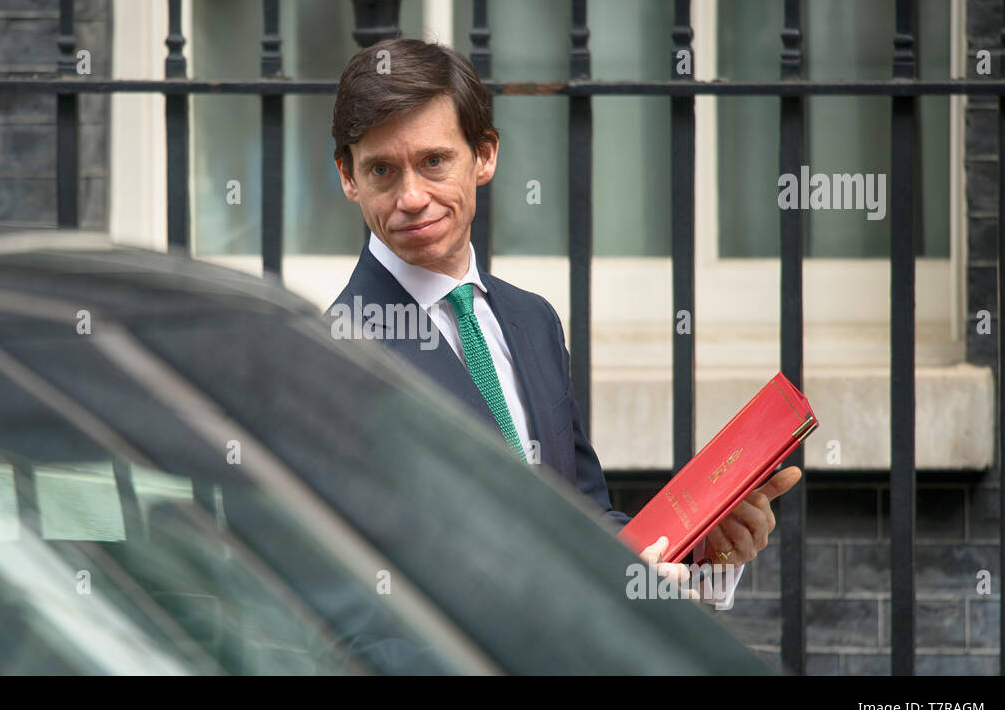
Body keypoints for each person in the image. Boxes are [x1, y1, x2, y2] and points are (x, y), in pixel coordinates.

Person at [327, 37, 800, 609]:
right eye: (382, 170)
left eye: (433, 161)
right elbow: (341, 602)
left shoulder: (533, 320)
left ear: (485, 155)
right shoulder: (330, 356)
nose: (412, 197)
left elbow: (581, 516)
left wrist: (699, 552)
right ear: (348, 177)